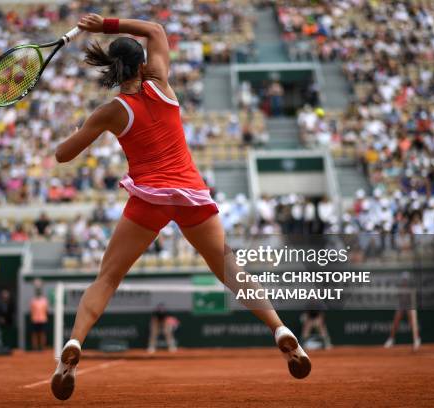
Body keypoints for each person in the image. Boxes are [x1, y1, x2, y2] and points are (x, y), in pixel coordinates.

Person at [50, 14, 310, 401]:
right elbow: (155, 30)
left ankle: (73, 346)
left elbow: (62, 156)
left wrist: (82, 128)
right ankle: (280, 329)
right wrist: (103, 24)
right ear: (142, 66)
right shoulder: (161, 85)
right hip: (191, 193)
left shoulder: (111, 112)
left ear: (114, 68)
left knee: (107, 279)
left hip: (149, 199)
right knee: (228, 266)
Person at [30, 281, 48, 351]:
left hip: (43, 319)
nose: (38, 292)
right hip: (34, 320)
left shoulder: (44, 300)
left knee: (42, 334)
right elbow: (31, 310)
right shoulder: (33, 300)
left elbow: (46, 310)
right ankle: (35, 347)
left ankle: (42, 347)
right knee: (34, 334)